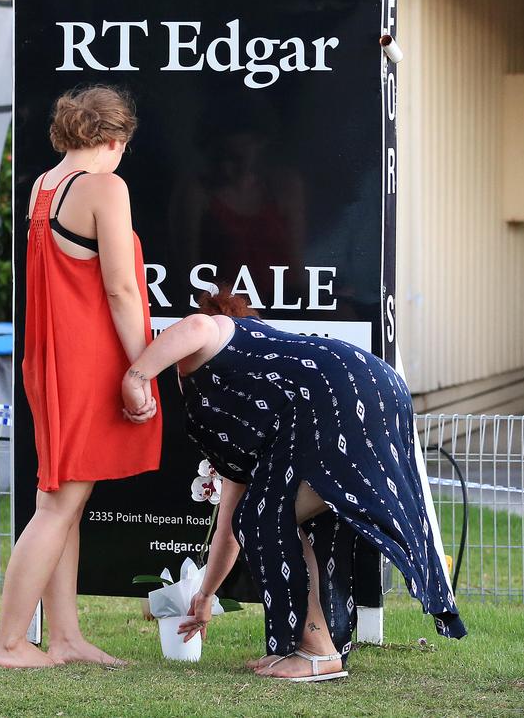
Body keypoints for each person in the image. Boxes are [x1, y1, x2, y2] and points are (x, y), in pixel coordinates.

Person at [122, 288, 466, 683]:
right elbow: (231, 526)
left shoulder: (214, 334)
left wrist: (136, 376)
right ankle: (309, 647)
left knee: (264, 518)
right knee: (262, 518)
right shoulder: (254, 396)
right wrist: (205, 596)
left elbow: (196, 325)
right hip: (374, 382)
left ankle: (317, 653)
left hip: (339, 392)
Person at [0, 85, 162, 669]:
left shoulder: (44, 186)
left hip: (49, 360)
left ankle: (64, 637)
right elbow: (120, 287)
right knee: (57, 504)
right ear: (114, 140)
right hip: (86, 363)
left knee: (66, 497)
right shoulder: (104, 186)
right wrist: (144, 367)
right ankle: (10, 642)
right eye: (123, 147)